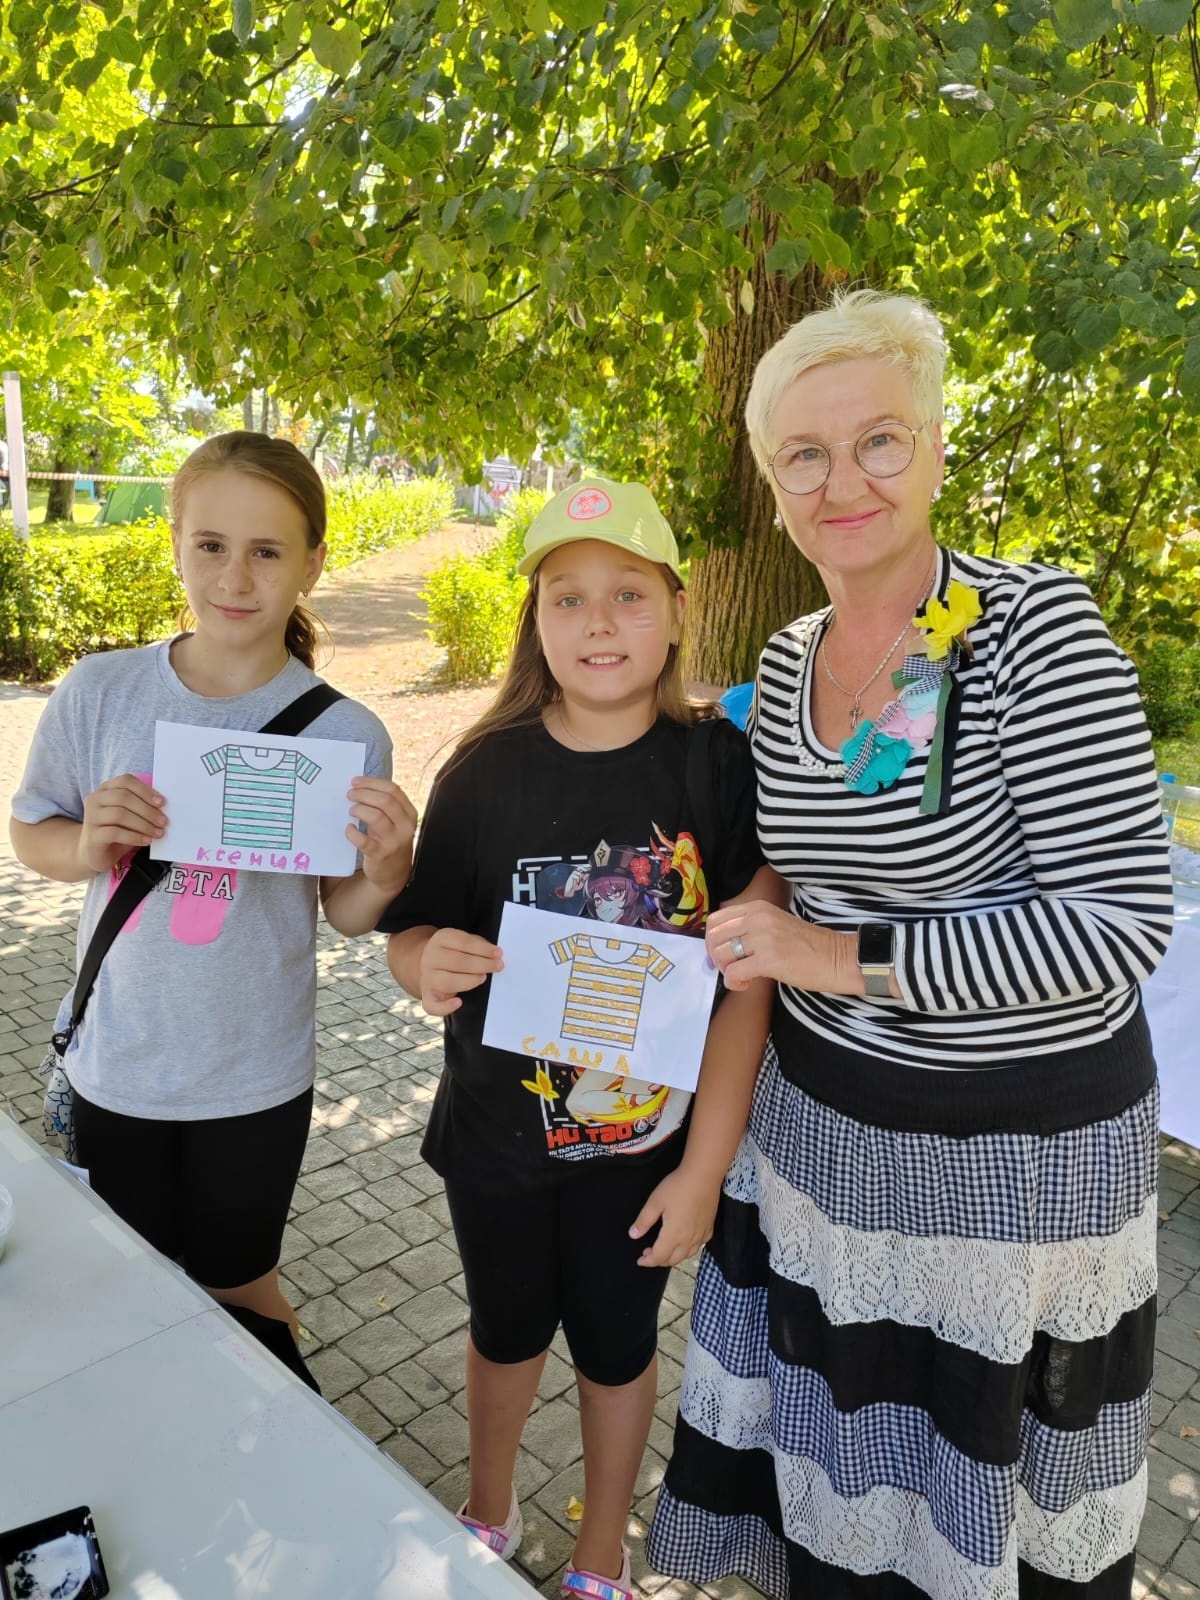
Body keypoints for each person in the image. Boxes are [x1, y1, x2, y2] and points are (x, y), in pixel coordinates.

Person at [647, 291, 1174, 1600]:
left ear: (938, 448)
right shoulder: (785, 665)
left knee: (978, 1519)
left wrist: (830, 959)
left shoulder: (1028, 630)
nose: (843, 482)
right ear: (773, 488)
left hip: (1010, 1174)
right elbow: (778, 866)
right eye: (804, 455)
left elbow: (1118, 925)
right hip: (824, 1153)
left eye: (879, 439)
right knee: (845, 1504)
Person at [379, 478, 776, 1600]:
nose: (599, 621)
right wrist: (424, 964)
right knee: (504, 1333)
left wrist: (703, 1170)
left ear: (679, 609)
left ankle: (604, 1550)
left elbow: (748, 978)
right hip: (496, 1146)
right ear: (537, 620)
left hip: (641, 1157)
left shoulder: (716, 762)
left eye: (629, 593)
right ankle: (488, 1507)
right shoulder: (484, 768)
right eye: (568, 597)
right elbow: (414, 931)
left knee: (617, 1348)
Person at [9, 431, 417, 1345]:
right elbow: (31, 831)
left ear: (312, 563)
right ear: (176, 544)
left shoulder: (347, 734)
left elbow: (345, 913)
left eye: (267, 551)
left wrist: (387, 873)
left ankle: (275, 1420)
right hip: (120, 1062)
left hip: (256, 1076)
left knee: (242, 1285)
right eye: (211, 545)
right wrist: (87, 845)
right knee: (132, 1287)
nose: (235, 577)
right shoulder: (101, 691)